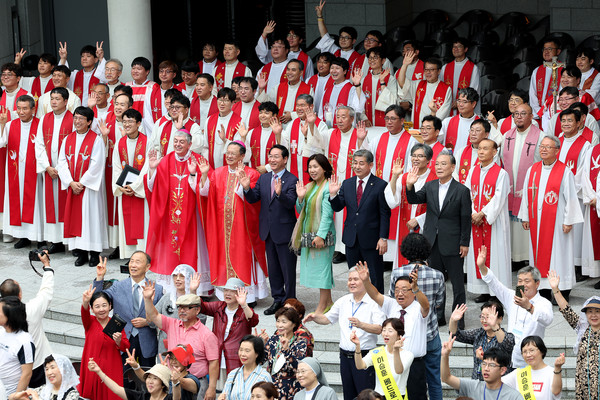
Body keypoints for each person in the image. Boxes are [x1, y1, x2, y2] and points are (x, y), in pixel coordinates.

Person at [405, 150, 471, 327]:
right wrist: (409, 185)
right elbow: (414, 200)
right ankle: (438, 316)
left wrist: (465, 243)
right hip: (432, 242)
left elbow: (465, 219)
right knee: (435, 283)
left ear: (452, 167)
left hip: (453, 242)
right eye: (437, 164)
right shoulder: (430, 185)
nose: (439, 167)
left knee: (457, 285)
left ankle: (458, 319)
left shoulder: (462, 190)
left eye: (443, 164)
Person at [198, 141, 268, 303]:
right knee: (223, 257)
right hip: (222, 226)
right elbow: (205, 193)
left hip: (243, 227)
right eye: (227, 153)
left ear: (242, 156)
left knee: (243, 258)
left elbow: (254, 201)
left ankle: (248, 296)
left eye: (233, 153)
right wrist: (203, 175)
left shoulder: (251, 174)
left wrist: (243, 185)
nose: (229, 156)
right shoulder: (217, 173)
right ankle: (226, 295)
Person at [518, 135, 584, 298]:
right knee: (538, 254)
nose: (544, 149)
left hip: (557, 222)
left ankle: (563, 289)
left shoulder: (564, 171)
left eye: (548, 147)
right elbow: (527, 195)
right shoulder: (532, 170)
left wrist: (568, 221)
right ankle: (543, 289)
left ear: (557, 150)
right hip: (537, 222)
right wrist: (525, 216)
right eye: (542, 146)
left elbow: (571, 198)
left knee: (559, 255)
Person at [303, 267, 384, 400]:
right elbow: (327, 318)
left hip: (365, 356)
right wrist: (315, 317)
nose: (351, 282)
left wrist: (361, 324)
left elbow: (379, 329)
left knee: (366, 395)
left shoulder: (374, 302)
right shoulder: (344, 301)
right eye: (349, 279)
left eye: (355, 279)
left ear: (365, 281)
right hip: (345, 357)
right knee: (349, 394)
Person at [144, 130, 210, 289]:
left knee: (193, 249)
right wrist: (152, 170)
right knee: (171, 247)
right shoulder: (165, 161)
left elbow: (205, 191)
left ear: (189, 143)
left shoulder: (199, 160)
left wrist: (194, 174)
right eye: (175, 141)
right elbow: (153, 187)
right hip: (169, 215)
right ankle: (170, 284)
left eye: (181, 141)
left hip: (193, 216)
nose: (178, 144)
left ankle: (197, 287)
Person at [356, 262, 430, 400]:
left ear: (412, 292)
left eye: (404, 290)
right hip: (390, 361)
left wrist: (416, 289)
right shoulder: (391, 304)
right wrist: (366, 281)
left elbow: (426, 305)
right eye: (396, 290)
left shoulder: (418, 307)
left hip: (414, 364)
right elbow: (375, 295)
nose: (399, 293)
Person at [385, 233, 445, 400]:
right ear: (426, 251)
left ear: (406, 251)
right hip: (430, 333)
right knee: (434, 380)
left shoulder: (397, 273)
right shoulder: (438, 275)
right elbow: (438, 303)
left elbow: (393, 299)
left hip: (407, 338)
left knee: (405, 379)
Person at [242, 144, 298, 313]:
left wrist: (280, 194)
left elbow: (290, 203)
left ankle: (290, 302)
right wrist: (246, 188)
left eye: (276, 156)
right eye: (270, 156)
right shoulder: (264, 178)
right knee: (273, 268)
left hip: (285, 231)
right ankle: (277, 299)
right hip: (267, 231)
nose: (272, 160)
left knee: (288, 270)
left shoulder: (292, 179)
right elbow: (253, 198)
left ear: (285, 159)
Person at [477, 245, 554, 368]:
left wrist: (529, 307)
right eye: (519, 281)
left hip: (530, 359)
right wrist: (482, 266)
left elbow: (547, 319)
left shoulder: (543, 303)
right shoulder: (512, 296)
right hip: (509, 356)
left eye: (527, 281)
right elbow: (494, 283)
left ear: (537, 283)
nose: (522, 285)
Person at [359, 105, 417, 264]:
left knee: (395, 223)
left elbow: (412, 168)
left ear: (402, 121)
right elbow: (366, 158)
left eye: (393, 118)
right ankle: (382, 257)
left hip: (398, 191)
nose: (389, 122)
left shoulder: (411, 142)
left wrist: (397, 185)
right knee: (379, 219)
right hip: (379, 189)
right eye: (387, 118)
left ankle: (393, 259)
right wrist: (361, 139)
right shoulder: (379, 139)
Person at [329, 149, 391, 293]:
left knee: (375, 276)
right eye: (355, 163)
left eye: (361, 163)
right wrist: (333, 195)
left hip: (372, 240)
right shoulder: (348, 183)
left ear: (370, 165)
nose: (357, 166)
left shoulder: (380, 185)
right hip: (352, 239)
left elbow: (384, 213)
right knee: (354, 276)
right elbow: (338, 207)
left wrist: (383, 238)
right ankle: (357, 302)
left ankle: (377, 307)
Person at [144, 285, 219, 400]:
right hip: (172, 380)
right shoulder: (172, 324)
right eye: (179, 308)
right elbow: (154, 316)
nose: (182, 311)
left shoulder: (207, 335)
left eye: (187, 308)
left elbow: (213, 363)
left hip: (196, 383)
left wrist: (212, 388)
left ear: (197, 310)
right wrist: (148, 299)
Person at [93, 253, 164, 371]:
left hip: (146, 342)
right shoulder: (118, 286)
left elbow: (162, 318)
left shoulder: (157, 289)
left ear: (147, 267)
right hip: (122, 339)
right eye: (131, 261)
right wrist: (100, 277)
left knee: (147, 378)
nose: (133, 265)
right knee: (123, 379)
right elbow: (98, 299)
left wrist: (147, 322)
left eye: (138, 262)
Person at [56, 106, 107, 266]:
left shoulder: (96, 139)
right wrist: (71, 182)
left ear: (89, 122)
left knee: (91, 219)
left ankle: (94, 253)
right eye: (75, 118)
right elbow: (62, 162)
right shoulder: (68, 139)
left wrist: (82, 183)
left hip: (89, 188)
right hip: (74, 186)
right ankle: (81, 253)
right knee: (76, 219)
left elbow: (97, 164)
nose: (77, 121)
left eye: (81, 118)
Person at [463, 138, 511, 303]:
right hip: (475, 220)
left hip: (493, 222)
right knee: (478, 255)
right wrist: (473, 212)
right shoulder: (473, 170)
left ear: (494, 152)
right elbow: (467, 193)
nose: (481, 151)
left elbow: (499, 197)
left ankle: (497, 293)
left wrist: (482, 213)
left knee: (495, 256)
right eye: (479, 148)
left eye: (485, 148)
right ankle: (484, 290)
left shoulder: (501, 173)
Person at [0, 251, 54, 388]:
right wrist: (47, 265)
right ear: (20, 294)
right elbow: (46, 291)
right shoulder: (32, 310)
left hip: (15, 369)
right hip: (37, 366)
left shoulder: (2, 318)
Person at [290, 153, 335, 314]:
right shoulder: (309, 186)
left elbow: (328, 214)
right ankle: (328, 301)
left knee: (323, 270)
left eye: (316, 166)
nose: (312, 170)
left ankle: (322, 306)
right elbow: (302, 212)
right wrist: (300, 198)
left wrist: (321, 235)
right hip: (310, 234)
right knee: (319, 270)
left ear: (325, 168)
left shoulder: (327, 187)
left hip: (322, 235)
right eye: (310, 167)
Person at [500, 103, 544, 266]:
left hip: (531, 187)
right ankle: (513, 257)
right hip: (511, 188)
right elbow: (503, 161)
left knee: (527, 221)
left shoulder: (540, 136)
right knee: (512, 224)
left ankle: (527, 257)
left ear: (531, 116)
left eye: (523, 113)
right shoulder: (507, 135)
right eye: (516, 114)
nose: (518, 116)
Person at [0, 95, 43, 248]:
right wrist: (2, 125)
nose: (21, 112)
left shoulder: (40, 124)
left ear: (33, 109)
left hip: (35, 171)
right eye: (18, 108)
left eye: (25, 108)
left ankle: (39, 237)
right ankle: (23, 237)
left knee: (37, 203)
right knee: (17, 201)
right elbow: (1, 142)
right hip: (16, 171)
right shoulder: (11, 125)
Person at [549, 271, 600, 400]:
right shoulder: (582, 329)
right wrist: (555, 289)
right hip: (583, 387)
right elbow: (566, 310)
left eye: (597, 311)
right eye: (590, 312)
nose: (593, 315)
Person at [34, 87, 72, 253]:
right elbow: (39, 144)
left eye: (57, 99)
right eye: (52, 99)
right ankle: (56, 242)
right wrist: (47, 166)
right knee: (52, 206)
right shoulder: (44, 118)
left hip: (68, 170)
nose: (54, 102)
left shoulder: (73, 118)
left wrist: (63, 169)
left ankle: (71, 242)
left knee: (68, 205)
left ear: (65, 101)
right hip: (50, 170)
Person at [385, 145, 437, 267]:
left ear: (428, 160)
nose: (416, 159)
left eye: (420, 156)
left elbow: (439, 206)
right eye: (413, 155)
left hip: (425, 227)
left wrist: (419, 219)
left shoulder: (434, 178)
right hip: (404, 223)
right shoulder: (404, 176)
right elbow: (393, 200)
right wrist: (394, 176)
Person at [201, 278, 259, 379]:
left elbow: (254, 321)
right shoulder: (218, 307)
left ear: (240, 293)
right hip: (217, 357)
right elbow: (201, 307)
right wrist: (193, 291)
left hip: (236, 359)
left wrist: (244, 304)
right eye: (226, 290)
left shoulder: (244, 311)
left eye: (232, 291)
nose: (228, 293)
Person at [79, 287, 130, 400]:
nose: (101, 309)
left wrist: (119, 341)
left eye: (104, 305)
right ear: (92, 309)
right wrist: (85, 302)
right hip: (93, 368)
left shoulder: (116, 323)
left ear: (110, 306)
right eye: (97, 306)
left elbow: (126, 346)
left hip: (111, 368)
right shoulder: (90, 322)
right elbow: (84, 312)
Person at [111, 108, 148, 259]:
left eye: (130, 121)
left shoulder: (148, 142)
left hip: (140, 191)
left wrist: (134, 186)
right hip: (125, 190)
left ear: (139, 123)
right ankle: (131, 256)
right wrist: (120, 186)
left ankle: (143, 256)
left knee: (143, 223)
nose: (126, 124)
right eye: (124, 121)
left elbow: (148, 168)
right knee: (127, 223)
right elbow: (116, 167)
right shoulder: (120, 143)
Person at [441, 337, 523, 400]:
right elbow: (446, 378)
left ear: (503, 370)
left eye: (491, 365)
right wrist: (445, 356)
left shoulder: (513, 396)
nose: (486, 368)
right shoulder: (473, 386)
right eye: (484, 364)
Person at [449, 302, 515, 380]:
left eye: (488, 317)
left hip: (497, 385)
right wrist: (453, 320)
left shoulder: (508, 337)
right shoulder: (479, 333)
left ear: (500, 318)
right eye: (482, 317)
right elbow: (456, 335)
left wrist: (484, 358)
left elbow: (505, 342)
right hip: (477, 383)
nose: (484, 320)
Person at [352, 318, 413, 398]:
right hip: (379, 397)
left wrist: (396, 350)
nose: (386, 334)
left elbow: (398, 370)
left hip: (397, 396)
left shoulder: (408, 355)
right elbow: (360, 365)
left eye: (390, 331)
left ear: (399, 335)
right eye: (384, 330)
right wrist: (357, 346)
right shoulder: (377, 352)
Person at [154, 265, 205, 355]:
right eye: (175, 276)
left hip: (187, 347)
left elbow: (201, 321)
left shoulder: (197, 299)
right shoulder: (167, 297)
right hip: (166, 347)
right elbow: (153, 318)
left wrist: (193, 292)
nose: (177, 279)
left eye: (182, 276)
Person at [279, 94, 327, 183]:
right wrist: (278, 133)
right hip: (294, 169)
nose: (299, 108)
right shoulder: (292, 124)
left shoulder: (321, 125)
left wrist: (307, 135)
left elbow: (321, 147)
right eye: (297, 105)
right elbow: (284, 145)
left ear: (311, 106)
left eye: (302, 105)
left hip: (312, 172)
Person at [501, 336, 564, 400]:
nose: (528, 355)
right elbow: (497, 383)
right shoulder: (519, 373)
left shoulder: (552, 372)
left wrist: (557, 368)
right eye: (524, 352)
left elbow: (556, 392)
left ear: (542, 351)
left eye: (532, 350)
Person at [264, 307, 307, 400]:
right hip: (272, 386)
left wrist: (287, 349)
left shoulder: (300, 342)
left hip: (291, 387)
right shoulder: (273, 339)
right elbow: (261, 360)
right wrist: (259, 344)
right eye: (278, 321)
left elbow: (298, 366)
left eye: (284, 322)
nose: (280, 325)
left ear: (294, 324)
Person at [257, 60, 312, 126]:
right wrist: (261, 89)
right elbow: (267, 105)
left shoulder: (308, 89)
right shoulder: (279, 87)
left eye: (293, 70)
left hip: (299, 127)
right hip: (279, 127)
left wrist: (292, 115)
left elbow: (310, 110)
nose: (289, 72)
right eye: (288, 69)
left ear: (301, 73)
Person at [400, 58, 452, 128]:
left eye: (432, 70)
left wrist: (427, 127)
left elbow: (442, 115)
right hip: (416, 129)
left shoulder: (446, 89)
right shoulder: (418, 84)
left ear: (439, 71)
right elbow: (402, 83)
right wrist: (405, 65)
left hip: (433, 129)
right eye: (426, 69)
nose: (428, 72)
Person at [219, 335, 272, 400]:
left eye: (247, 351)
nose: (242, 354)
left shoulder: (264, 376)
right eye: (241, 350)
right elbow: (225, 396)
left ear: (257, 353)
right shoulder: (233, 374)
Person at [88, 360, 172, 400]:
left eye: (155, 378)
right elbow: (117, 389)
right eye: (149, 377)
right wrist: (99, 371)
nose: (150, 381)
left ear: (163, 384)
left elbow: (177, 392)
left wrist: (175, 381)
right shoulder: (142, 397)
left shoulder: (170, 398)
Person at [355, 47, 398, 127]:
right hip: (368, 123)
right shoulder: (363, 80)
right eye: (370, 58)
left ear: (383, 60)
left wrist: (382, 83)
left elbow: (392, 102)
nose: (372, 60)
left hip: (385, 123)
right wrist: (364, 118)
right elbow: (359, 102)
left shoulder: (390, 79)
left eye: (375, 57)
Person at [0, 296, 34, 395]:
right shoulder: (2, 331)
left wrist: (16, 396)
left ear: (10, 316)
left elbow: (26, 374)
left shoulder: (24, 341)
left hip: (9, 393)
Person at [8, 354, 80, 400]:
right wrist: (16, 396)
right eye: (47, 369)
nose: (49, 372)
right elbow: (11, 397)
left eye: (52, 367)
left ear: (64, 370)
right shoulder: (43, 389)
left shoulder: (73, 395)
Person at [203, 88, 242, 169]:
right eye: (220, 100)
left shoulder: (239, 122)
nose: (222, 103)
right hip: (211, 167)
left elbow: (238, 149)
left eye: (226, 100)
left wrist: (225, 140)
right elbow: (205, 146)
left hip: (230, 168)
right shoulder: (210, 120)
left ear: (232, 102)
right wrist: (208, 166)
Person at [317, 58, 362, 126]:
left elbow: (357, 109)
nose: (334, 71)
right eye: (332, 68)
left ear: (345, 71)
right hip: (329, 131)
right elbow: (321, 113)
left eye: (337, 68)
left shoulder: (351, 89)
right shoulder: (327, 90)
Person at [441, 38, 480, 115]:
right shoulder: (445, 67)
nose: (456, 49)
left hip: (464, 109)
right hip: (448, 108)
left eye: (459, 46)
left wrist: (459, 102)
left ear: (465, 49)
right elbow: (441, 88)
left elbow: (474, 90)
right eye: (454, 47)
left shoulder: (473, 68)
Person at [58, 42, 105, 106]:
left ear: (96, 59)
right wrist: (63, 59)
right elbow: (61, 76)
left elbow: (106, 78)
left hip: (95, 111)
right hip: (78, 112)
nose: (84, 58)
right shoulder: (74, 75)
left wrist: (101, 58)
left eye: (88, 56)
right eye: (82, 56)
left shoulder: (99, 75)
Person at [238, 102, 280, 171]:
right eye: (261, 113)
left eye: (266, 113)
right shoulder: (251, 133)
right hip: (255, 174)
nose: (262, 115)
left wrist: (267, 168)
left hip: (274, 174)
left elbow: (283, 156)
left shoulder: (280, 133)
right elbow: (246, 157)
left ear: (274, 115)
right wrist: (243, 138)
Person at [125, 56, 160, 134]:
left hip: (147, 125)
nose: (135, 71)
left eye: (139, 69)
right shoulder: (127, 86)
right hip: (130, 123)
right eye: (133, 68)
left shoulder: (153, 86)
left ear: (147, 71)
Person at [529, 39, 562, 117]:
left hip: (556, 113)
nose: (546, 52)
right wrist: (539, 112)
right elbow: (532, 94)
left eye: (550, 49)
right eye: (544, 49)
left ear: (558, 52)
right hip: (538, 114)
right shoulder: (537, 71)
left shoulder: (563, 70)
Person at [440, 87, 480, 151]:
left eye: (464, 101)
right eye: (459, 101)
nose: (460, 104)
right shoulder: (447, 122)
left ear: (473, 104)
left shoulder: (481, 124)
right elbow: (435, 139)